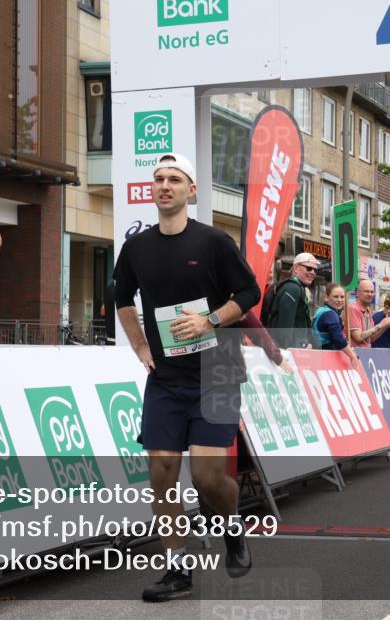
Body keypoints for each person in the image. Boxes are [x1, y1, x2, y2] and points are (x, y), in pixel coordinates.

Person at [112, 153, 260, 602]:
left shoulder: (213, 242)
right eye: (158, 179)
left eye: (174, 179)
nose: (164, 185)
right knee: (161, 470)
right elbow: (120, 298)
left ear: (191, 191)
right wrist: (140, 346)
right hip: (167, 377)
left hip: (217, 370)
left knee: (207, 477)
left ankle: (231, 526)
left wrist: (211, 321)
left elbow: (249, 292)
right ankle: (178, 568)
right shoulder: (136, 247)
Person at [265, 253, 317, 349]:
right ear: (296, 268)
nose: (313, 272)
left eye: (315, 270)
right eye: (309, 268)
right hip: (289, 352)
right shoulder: (292, 288)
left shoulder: (296, 287)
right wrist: (289, 351)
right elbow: (285, 328)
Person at [312, 283, 360, 367]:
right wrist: (352, 356)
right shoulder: (330, 314)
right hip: (326, 359)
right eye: (335, 296)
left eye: (342, 297)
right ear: (326, 297)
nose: (339, 300)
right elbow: (338, 338)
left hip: (318, 356)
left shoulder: (321, 311)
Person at [350, 279, 390, 347]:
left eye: (372, 292)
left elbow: (371, 338)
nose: (370, 294)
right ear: (358, 293)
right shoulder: (353, 308)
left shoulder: (368, 310)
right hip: (355, 354)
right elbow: (358, 337)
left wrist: (386, 325)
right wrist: (381, 325)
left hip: (365, 353)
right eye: (366, 291)